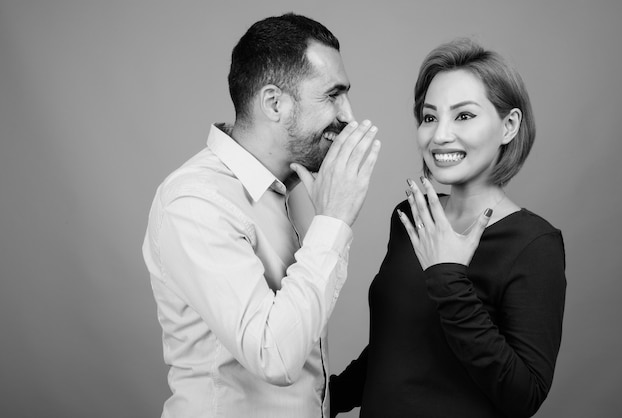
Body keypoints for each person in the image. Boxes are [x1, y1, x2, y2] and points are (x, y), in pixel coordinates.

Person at [142, 13, 381, 418]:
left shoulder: (294, 191)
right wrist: (334, 221)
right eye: (333, 95)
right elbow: (276, 356)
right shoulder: (195, 202)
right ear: (274, 103)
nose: (349, 115)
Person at [330, 38, 566, 417]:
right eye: (429, 117)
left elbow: (524, 396)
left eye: (464, 116)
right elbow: (397, 346)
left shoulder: (533, 243)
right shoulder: (411, 215)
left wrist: (449, 279)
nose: (440, 135)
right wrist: (325, 399)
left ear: (509, 125)